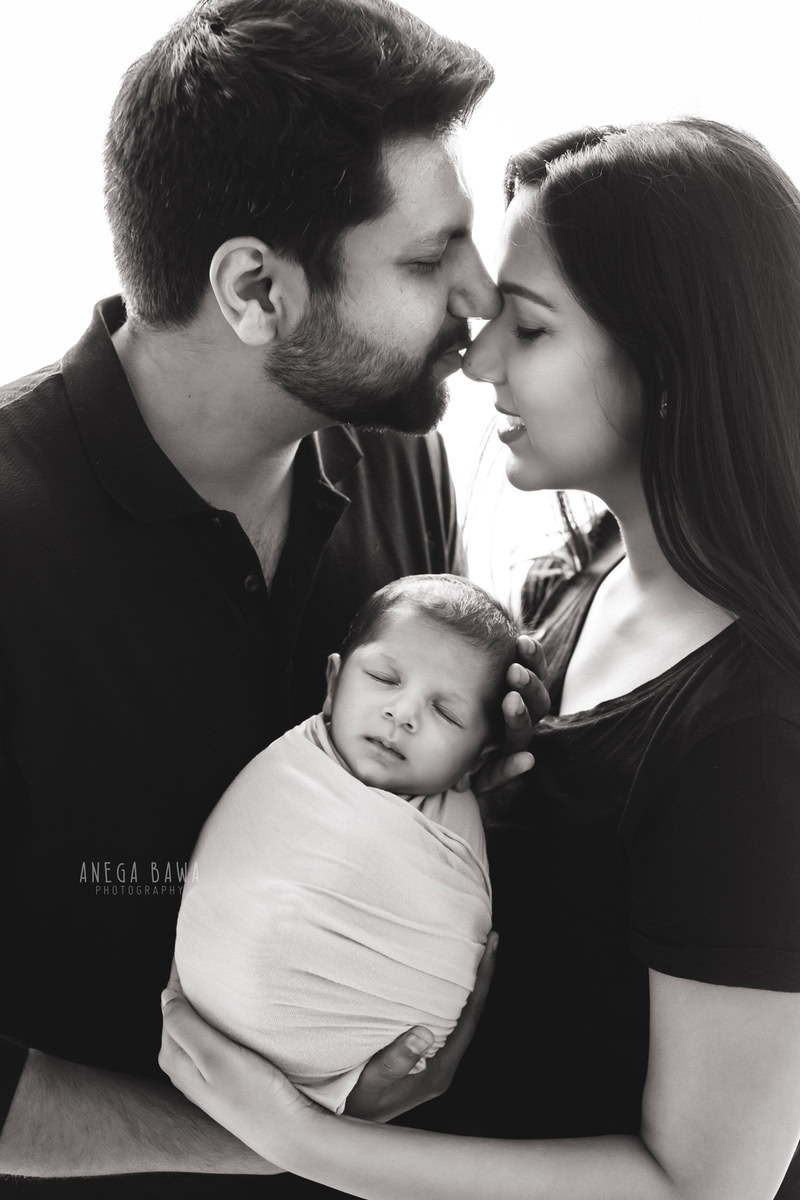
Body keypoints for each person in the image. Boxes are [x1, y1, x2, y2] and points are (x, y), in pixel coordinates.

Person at [161, 117, 800, 1199]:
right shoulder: (575, 588)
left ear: (669, 365)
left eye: (532, 329)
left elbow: (703, 1184)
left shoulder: (751, 731)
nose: (475, 356)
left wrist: (292, 1137)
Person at [0, 0, 548, 1192]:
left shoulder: (395, 452)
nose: (478, 298)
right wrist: (307, 1149)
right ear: (255, 288)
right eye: (424, 258)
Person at [175, 574, 517, 1114]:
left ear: (478, 758)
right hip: (201, 1040)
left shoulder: (457, 827)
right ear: (333, 684)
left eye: (446, 713)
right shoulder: (291, 770)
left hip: (373, 1073)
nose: (403, 713)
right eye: (384, 677)